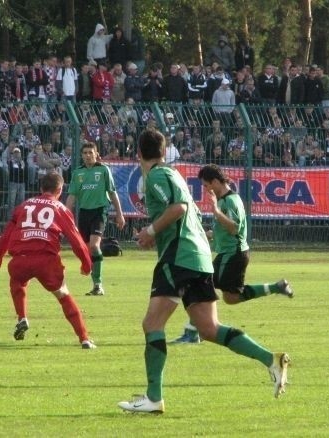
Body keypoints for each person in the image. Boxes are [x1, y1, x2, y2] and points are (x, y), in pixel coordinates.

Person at [117, 130, 290, 414]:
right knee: (209, 329)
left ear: (138, 152)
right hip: (198, 258)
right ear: (163, 151)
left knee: (152, 324)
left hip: (178, 258)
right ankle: (271, 359)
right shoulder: (173, 175)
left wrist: (150, 231)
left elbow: (179, 208)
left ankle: (153, 398)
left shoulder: (157, 176)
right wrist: (156, 235)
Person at [171, 164, 294, 344]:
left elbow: (234, 228)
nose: (206, 190)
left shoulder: (228, 201)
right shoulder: (225, 200)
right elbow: (222, 230)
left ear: (215, 181)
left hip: (232, 254)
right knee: (231, 297)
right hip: (232, 254)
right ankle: (276, 287)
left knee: (199, 284)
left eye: (206, 185)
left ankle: (192, 332)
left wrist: (216, 211)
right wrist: (203, 234)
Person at [0, 172, 97, 349]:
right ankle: (85, 339)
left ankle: (22, 317)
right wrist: (87, 264)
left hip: (20, 260)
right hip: (46, 261)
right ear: (60, 190)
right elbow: (76, 240)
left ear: (41, 188)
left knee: (17, 282)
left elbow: (5, 237)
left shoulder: (23, 206)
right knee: (63, 295)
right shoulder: (60, 208)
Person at [65, 142, 125, 295]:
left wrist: (119, 214)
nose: (87, 155)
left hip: (99, 211)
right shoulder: (78, 173)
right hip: (84, 213)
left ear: (96, 154)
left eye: (90, 152)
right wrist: (64, 216)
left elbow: (112, 192)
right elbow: (72, 196)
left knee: (93, 246)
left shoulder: (103, 170)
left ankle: (98, 284)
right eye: (85, 153)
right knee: (86, 249)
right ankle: (95, 285)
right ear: (81, 155)